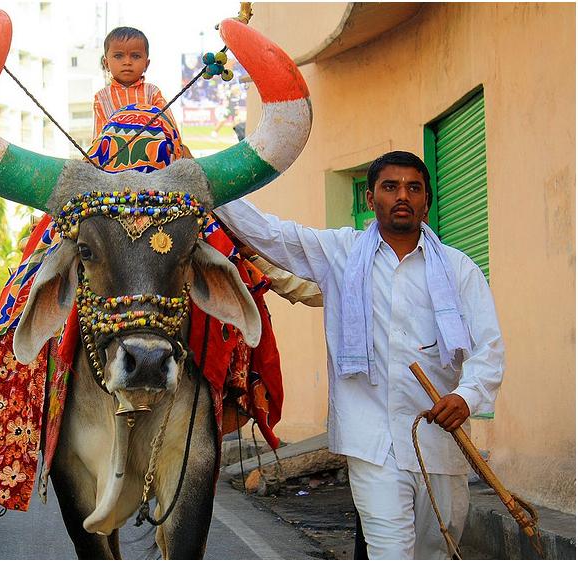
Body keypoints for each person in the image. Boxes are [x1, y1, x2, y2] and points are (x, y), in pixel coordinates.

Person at [214, 150, 505, 559]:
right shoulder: (341, 253)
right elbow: (269, 233)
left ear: (427, 201)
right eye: (390, 187)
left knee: (436, 552)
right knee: (389, 553)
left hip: (441, 443)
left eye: (413, 188)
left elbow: (488, 347)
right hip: (371, 442)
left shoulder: (459, 270)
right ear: (370, 199)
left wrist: (467, 396)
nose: (402, 195)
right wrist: (206, 181)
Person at [93, 26, 191, 158]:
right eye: (118, 56)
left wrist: (181, 150)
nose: (127, 62)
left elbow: (169, 127)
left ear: (146, 64)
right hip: (115, 161)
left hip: (154, 158)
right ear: (106, 63)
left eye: (135, 56)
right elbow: (99, 138)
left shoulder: (152, 92)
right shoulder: (102, 97)